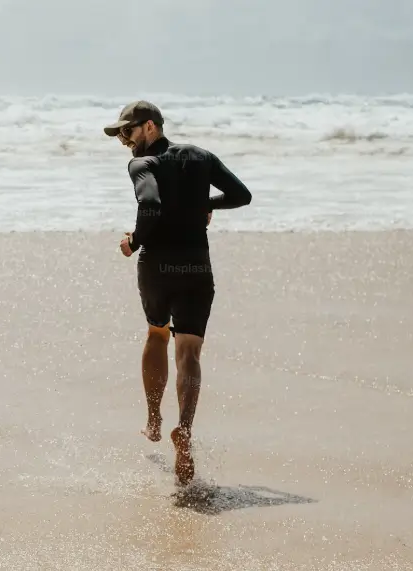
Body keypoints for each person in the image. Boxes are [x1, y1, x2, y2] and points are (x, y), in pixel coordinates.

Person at [103, 100, 252, 486]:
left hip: (157, 268)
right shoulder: (200, 156)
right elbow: (240, 195)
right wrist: (203, 205)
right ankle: (183, 430)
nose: (124, 140)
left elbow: (149, 205)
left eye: (128, 131)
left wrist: (133, 241)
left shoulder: (142, 164)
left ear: (149, 127)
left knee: (156, 333)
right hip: (196, 269)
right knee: (189, 350)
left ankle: (154, 418)